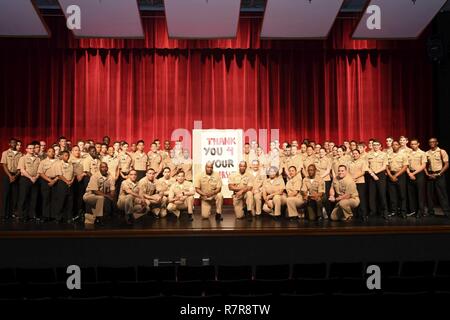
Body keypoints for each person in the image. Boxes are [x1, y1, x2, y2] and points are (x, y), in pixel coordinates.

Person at [425, 137, 450, 217]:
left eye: (433, 142)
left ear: (437, 143)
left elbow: (446, 164)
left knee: (442, 194)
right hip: (430, 175)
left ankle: (447, 212)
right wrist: (427, 174)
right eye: (430, 142)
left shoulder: (442, 151)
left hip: (439, 175)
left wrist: (439, 174)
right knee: (430, 195)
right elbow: (424, 165)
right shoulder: (427, 153)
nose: (432, 143)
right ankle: (430, 212)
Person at [16, 143, 41, 222]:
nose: (32, 150)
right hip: (25, 179)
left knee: (34, 198)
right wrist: (31, 177)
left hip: (35, 180)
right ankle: (22, 216)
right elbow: (22, 170)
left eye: (33, 148)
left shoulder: (38, 159)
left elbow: (39, 170)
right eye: (30, 148)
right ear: (26, 149)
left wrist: (36, 177)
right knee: (23, 198)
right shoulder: (23, 158)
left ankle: (32, 215)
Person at [367, 140, 389, 219]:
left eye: (377, 145)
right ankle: (373, 212)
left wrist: (376, 172)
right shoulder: (368, 154)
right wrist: (373, 174)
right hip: (371, 175)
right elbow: (367, 166)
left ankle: (384, 211)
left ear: (380, 146)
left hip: (381, 175)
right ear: (372, 146)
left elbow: (384, 166)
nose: (375, 146)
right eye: (374, 145)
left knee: (382, 194)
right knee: (372, 195)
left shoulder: (384, 154)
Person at [1, 138, 22, 221]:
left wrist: (15, 176)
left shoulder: (20, 154)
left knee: (15, 195)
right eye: (12, 143)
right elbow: (4, 165)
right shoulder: (5, 153)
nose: (14, 144)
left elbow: (20, 167)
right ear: (9, 144)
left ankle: (13, 213)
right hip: (7, 175)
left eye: (15, 143)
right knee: (6, 195)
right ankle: (4, 214)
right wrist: (10, 176)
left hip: (16, 176)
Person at [386, 141, 408, 218]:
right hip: (391, 175)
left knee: (402, 195)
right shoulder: (389, 155)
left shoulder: (403, 154)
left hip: (400, 175)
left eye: (396, 145)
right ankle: (393, 211)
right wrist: (390, 175)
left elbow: (405, 166)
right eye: (393, 145)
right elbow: (386, 166)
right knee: (392, 195)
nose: (394, 146)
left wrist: (396, 175)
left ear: (399, 146)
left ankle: (403, 212)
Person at [407, 138, 427, 218]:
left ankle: (420, 211)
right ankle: (413, 210)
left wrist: (413, 173)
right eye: (412, 144)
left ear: (418, 144)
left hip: (419, 174)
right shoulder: (408, 153)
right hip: (410, 173)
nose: (413, 145)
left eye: (415, 144)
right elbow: (406, 164)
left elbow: (423, 165)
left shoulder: (422, 153)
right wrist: (409, 173)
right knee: (411, 193)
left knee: (420, 193)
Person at [52, 150, 74, 223]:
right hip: (62, 183)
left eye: (68, 155)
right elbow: (59, 175)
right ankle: (58, 218)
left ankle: (68, 217)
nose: (67, 157)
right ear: (61, 156)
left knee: (69, 201)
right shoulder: (59, 164)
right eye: (65, 155)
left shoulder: (70, 164)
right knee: (61, 201)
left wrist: (71, 181)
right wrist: (67, 181)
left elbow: (74, 174)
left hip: (70, 184)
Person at [37, 147, 59, 221]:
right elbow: (40, 173)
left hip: (56, 181)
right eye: (49, 151)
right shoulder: (43, 162)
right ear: (47, 153)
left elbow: (60, 173)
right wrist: (49, 180)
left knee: (55, 198)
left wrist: (54, 180)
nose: (52, 153)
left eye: (53, 151)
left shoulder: (58, 161)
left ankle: (54, 215)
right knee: (46, 198)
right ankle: (46, 215)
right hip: (46, 181)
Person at [348, 149, 368, 221]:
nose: (355, 155)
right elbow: (347, 172)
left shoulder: (363, 161)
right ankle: (355, 214)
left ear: (359, 154)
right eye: (353, 153)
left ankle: (363, 214)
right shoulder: (349, 162)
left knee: (361, 199)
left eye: (356, 153)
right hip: (352, 183)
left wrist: (354, 177)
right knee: (353, 198)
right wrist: (351, 179)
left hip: (360, 182)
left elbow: (363, 172)